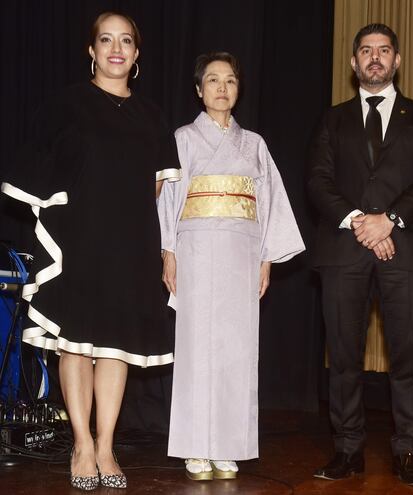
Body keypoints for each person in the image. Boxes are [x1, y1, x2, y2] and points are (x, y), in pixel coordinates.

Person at [1, 12, 180, 490]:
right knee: (76, 344)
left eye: (126, 41)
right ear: (92, 50)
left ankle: (106, 445)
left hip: (130, 244)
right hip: (78, 240)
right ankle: (81, 444)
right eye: (106, 39)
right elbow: (39, 167)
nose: (116, 48)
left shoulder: (152, 116)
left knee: (116, 348)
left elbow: (157, 190)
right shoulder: (67, 105)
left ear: (137, 55)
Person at [308, 23, 413, 486]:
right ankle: (347, 450)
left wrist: (389, 219)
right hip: (343, 252)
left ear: (397, 60)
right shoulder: (331, 118)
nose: (374, 58)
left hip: (404, 250)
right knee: (344, 358)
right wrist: (359, 221)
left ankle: (407, 451)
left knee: (406, 360)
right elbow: (317, 181)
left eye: (383, 50)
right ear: (353, 63)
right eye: (366, 51)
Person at [158, 52, 304, 480]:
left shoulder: (254, 144)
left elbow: (271, 204)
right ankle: (194, 446)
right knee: (195, 346)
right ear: (199, 89)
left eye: (230, 81)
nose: (222, 88)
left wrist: (265, 259)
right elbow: (169, 198)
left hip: (242, 250)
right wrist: (169, 250)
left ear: (238, 90)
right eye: (213, 80)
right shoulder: (183, 138)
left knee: (237, 348)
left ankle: (227, 445)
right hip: (197, 247)